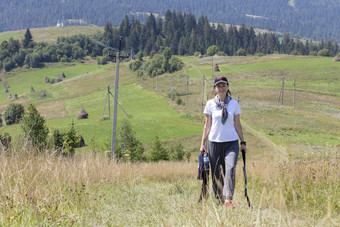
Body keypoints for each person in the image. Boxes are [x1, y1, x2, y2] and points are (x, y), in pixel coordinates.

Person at [200, 76, 247, 207]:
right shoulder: (210, 104)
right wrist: (202, 143)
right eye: (218, 86)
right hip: (214, 142)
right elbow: (207, 125)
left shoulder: (234, 104)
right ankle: (220, 199)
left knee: (230, 168)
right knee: (216, 171)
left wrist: (243, 142)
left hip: (231, 142)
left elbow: (237, 124)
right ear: (215, 89)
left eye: (223, 85)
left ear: (227, 87)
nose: (221, 88)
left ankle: (228, 199)